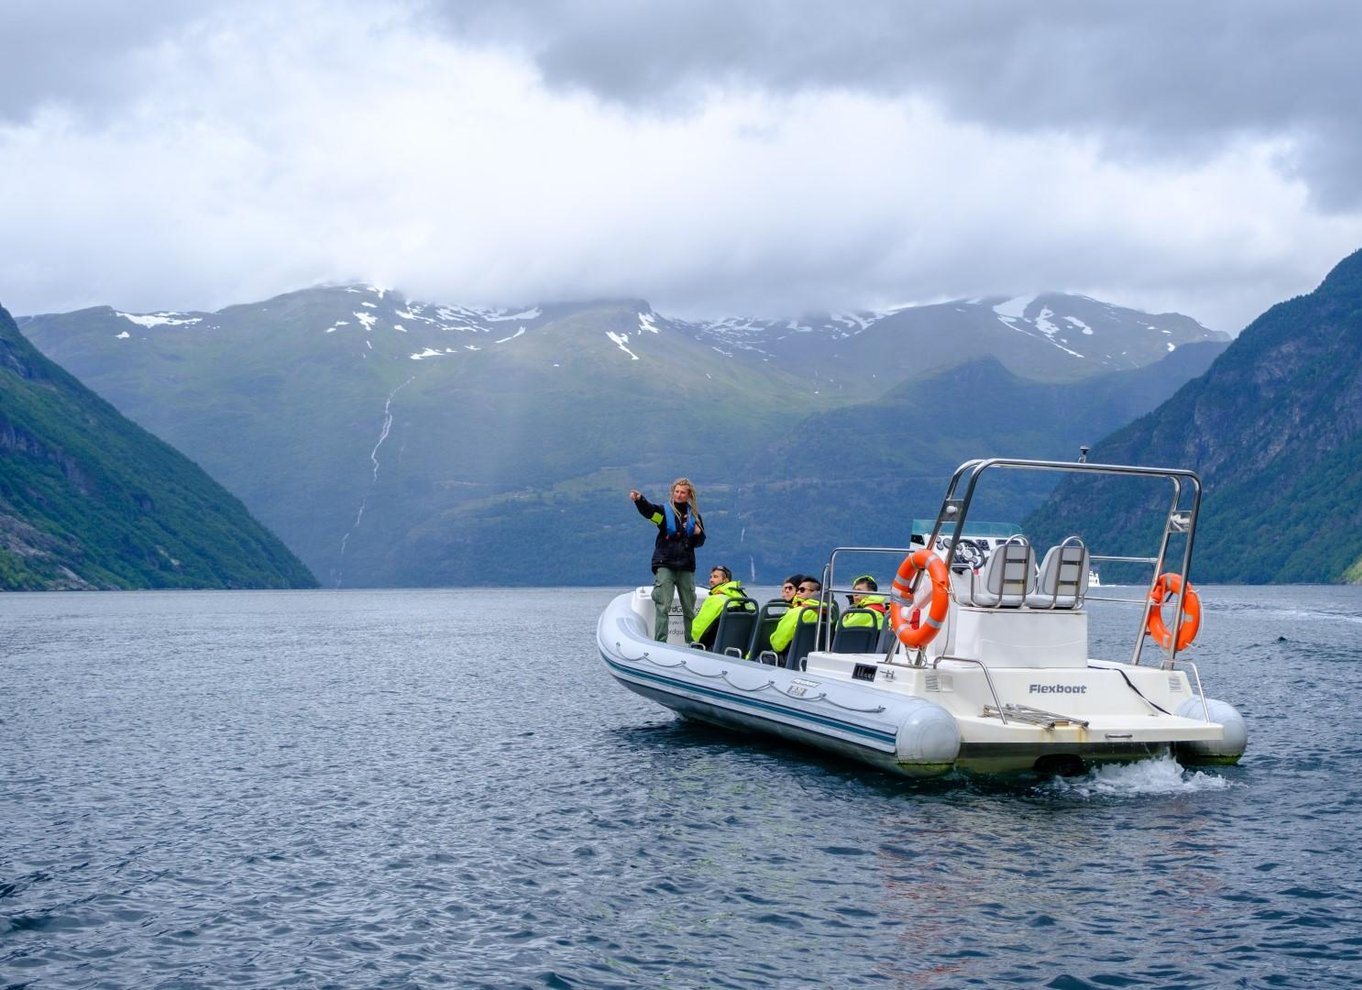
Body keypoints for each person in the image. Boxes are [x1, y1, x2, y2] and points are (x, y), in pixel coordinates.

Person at [630, 478, 705, 642]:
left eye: (682, 492)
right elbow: (649, 511)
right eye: (676, 491)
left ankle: (691, 642)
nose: (679, 495)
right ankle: (661, 642)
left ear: (689, 495)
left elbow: (700, 542)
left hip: (686, 566)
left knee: (689, 608)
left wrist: (697, 534)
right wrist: (639, 500)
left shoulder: (695, 516)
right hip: (665, 564)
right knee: (664, 605)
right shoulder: (663, 513)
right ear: (673, 492)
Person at [690, 565, 753, 649]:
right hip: (740, 650)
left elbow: (697, 632)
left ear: (725, 580)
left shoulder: (716, 599)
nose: (711, 580)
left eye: (715, 577)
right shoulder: (746, 600)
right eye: (711, 577)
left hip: (716, 649)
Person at [769, 576, 826, 655]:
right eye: (798, 589)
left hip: (789, 658)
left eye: (802, 590)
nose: (798, 592)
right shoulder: (830, 611)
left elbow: (777, 645)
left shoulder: (797, 612)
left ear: (815, 592)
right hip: (815, 657)